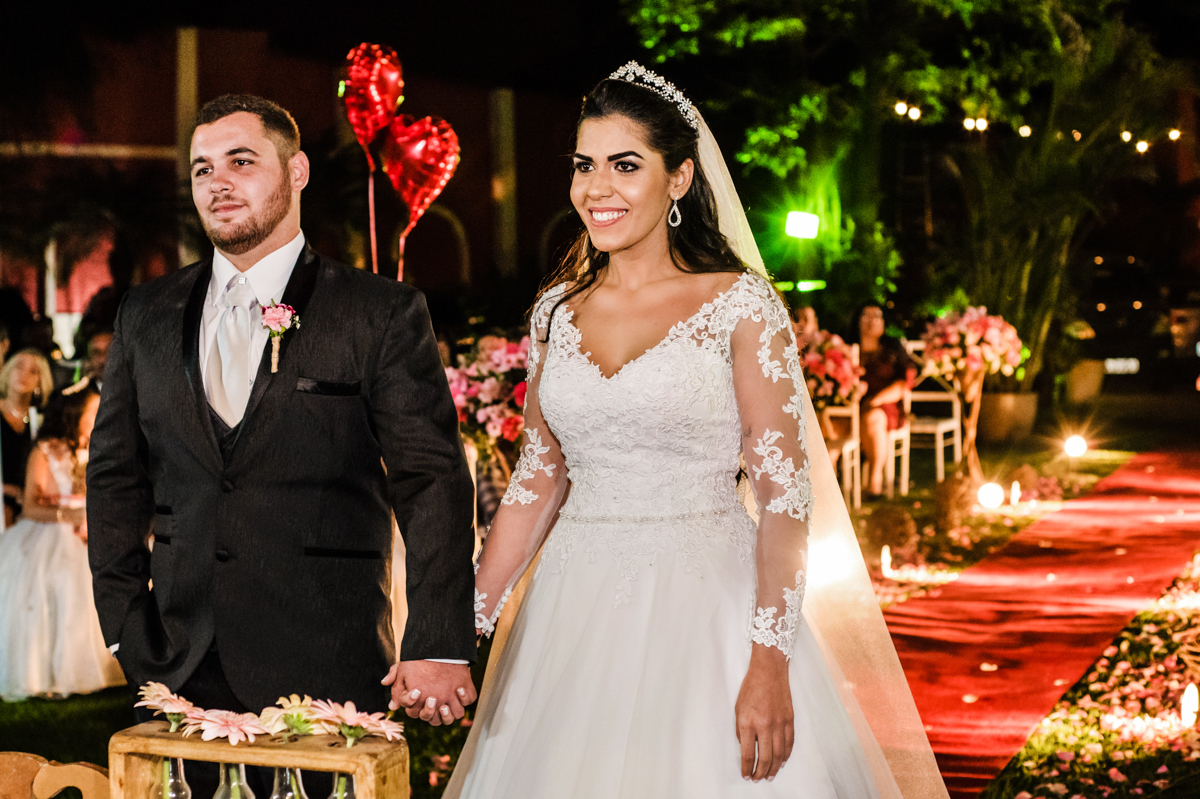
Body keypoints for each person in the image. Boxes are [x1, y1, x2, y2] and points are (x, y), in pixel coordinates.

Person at [440, 64, 947, 799]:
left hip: (707, 604)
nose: (596, 188)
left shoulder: (740, 305)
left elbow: (783, 496)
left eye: (625, 165)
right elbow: (537, 478)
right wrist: (461, 630)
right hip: (572, 614)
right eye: (584, 166)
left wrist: (769, 662)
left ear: (679, 178)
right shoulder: (555, 310)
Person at [87, 95, 476, 794]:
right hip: (178, 661)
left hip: (328, 662)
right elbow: (115, 477)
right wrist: (123, 625)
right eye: (203, 168)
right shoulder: (146, 313)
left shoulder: (380, 312)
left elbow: (432, 481)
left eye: (241, 161)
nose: (218, 182)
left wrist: (439, 640)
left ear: (296, 171)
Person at [0, 380, 125, 699]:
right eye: (94, 409)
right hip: (51, 531)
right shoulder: (45, 450)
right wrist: (68, 516)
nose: (101, 413)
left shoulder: (104, 445)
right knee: (60, 584)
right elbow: (29, 505)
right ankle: (50, 672)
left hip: (96, 528)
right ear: (75, 413)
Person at [845, 303, 913, 497]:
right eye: (867, 315)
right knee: (831, 424)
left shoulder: (892, 348)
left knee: (872, 418)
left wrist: (875, 400)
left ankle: (874, 481)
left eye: (878, 316)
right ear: (857, 319)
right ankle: (827, 483)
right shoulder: (845, 348)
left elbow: (904, 382)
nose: (873, 320)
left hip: (883, 406)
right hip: (849, 406)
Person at [1, 348, 53, 526]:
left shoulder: (41, 421)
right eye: (19, 367)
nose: (24, 375)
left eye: (33, 371)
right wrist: (12, 491)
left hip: (28, 505)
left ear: (40, 381)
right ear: (7, 372)